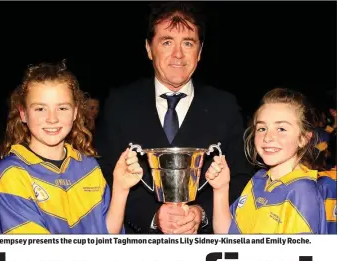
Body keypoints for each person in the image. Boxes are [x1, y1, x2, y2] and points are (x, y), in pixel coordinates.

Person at [94, 1, 253, 234]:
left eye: (188, 43)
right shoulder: (119, 104)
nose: (178, 54)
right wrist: (152, 216)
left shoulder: (225, 106)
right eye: (167, 42)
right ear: (149, 48)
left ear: (199, 52)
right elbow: (104, 173)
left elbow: (241, 175)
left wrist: (203, 213)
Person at [0, 61, 142, 234]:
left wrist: (120, 189)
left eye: (62, 108)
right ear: (23, 114)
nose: (52, 118)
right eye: (40, 109)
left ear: (75, 112)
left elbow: (107, 236)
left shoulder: (88, 166)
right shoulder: (11, 174)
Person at [204, 88, 326, 234]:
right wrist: (221, 189)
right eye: (262, 128)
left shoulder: (302, 192)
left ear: (303, 138)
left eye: (281, 129)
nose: (268, 137)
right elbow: (227, 236)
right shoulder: (258, 180)